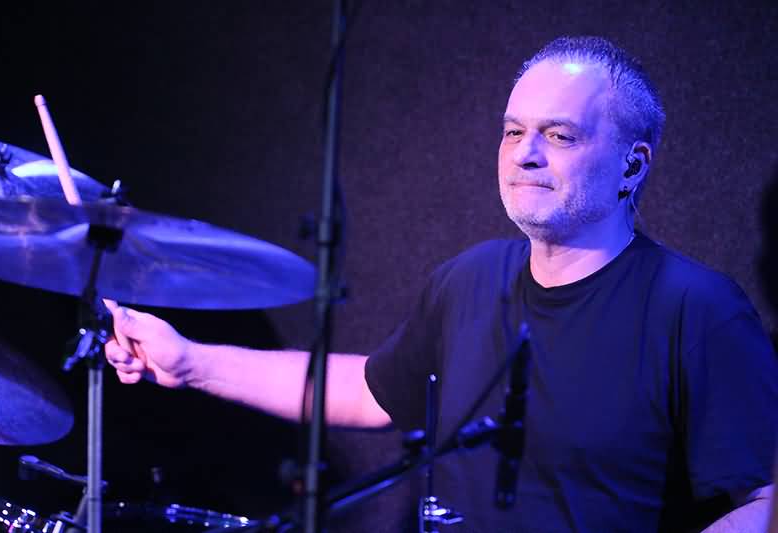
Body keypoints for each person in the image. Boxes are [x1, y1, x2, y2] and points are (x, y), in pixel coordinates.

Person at [106, 36, 778, 532]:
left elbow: (762, 501)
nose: (524, 154)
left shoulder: (698, 310)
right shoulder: (470, 278)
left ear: (632, 166)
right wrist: (189, 361)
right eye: (512, 131)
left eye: (559, 135)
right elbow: (368, 391)